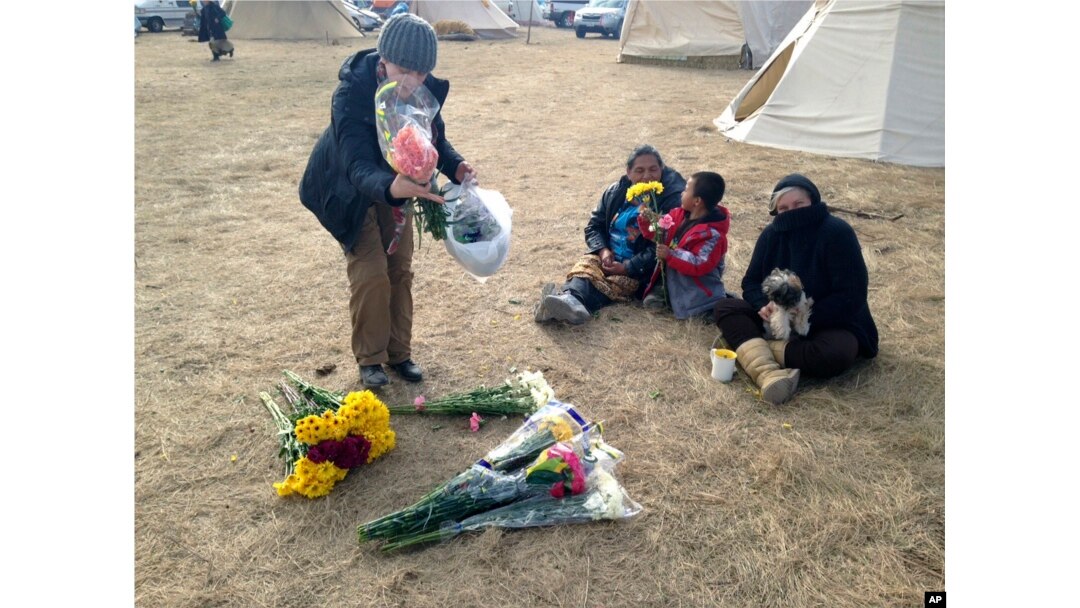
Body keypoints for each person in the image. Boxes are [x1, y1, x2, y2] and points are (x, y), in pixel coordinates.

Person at [299, 14, 476, 388]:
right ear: (383, 59)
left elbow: (434, 141)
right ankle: (371, 359)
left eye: (422, 73)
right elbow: (356, 164)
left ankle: (400, 354)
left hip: (398, 185)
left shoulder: (423, 93)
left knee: (400, 267)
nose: (412, 81)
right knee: (372, 271)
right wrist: (393, 188)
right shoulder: (352, 93)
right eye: (404, 69)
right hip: (347, 190)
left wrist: (455, 165)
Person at [713, 173, 879, 405]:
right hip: (775, 319)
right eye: (783, 208)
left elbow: (852, 294)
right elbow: (750, 282)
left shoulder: (837, 232)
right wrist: (763, 305)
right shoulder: (771, 235)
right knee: (725, 306)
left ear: (812, 201)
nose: (792, 212)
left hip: (825, 322)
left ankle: (749, 348)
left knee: (836, 353)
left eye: (798, 204)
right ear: (776, 211)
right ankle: (767, 372)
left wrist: (802, 315)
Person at [534, 145, 686, 324]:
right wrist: (603, 250)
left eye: (653, 169)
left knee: (615, 283)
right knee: (586, 266)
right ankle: (568, 299)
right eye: (639, 170)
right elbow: (594, 225)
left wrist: (628, 267)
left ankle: (569, 305)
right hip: (607, 256)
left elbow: (662, 245)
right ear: (628, 172)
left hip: (638, 267)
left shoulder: (670, 199)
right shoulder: (616, 192)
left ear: (662, 169)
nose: (647, 176)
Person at [637, 171, 730, 320]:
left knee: (706, 314)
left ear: (697, 201)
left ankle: (718, 301)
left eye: (686, 189)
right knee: (651, 302)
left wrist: (671, 255)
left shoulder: (712, 235)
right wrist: (648, 221)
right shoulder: (677, 215)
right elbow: (660, 235)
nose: (682, 193)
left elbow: (699, 262)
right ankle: (669, 297)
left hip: (696, 291)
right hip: (673, 281)